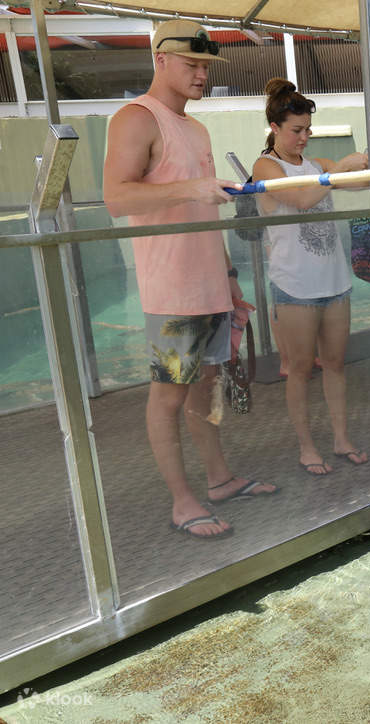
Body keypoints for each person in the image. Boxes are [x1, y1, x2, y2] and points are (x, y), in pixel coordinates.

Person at [103, 19, 277, 540]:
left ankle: (219, 479)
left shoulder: (195, 128)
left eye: (206, 66)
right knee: (169, 396)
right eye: (192, 65)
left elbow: (207, 206)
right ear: (160, 60)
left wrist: (229, 276)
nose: (202, 75)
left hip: (208, 285)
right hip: (172, 293)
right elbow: (117, 198)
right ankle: (183, 501)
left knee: (207, 385)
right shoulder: (136, 118)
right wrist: (192, 187)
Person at [251, 78, 370, 475]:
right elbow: (302, 197)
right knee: (301, 368)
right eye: (296, 131)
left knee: (336, 363)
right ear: (275, 128)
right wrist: (339, 172)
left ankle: (340, 439)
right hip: (295, 286)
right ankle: (307, 446)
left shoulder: (319, 165)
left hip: (334, 281)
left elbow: (360, 180)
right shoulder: (266, 165)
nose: (304, 138)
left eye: (308, 131)